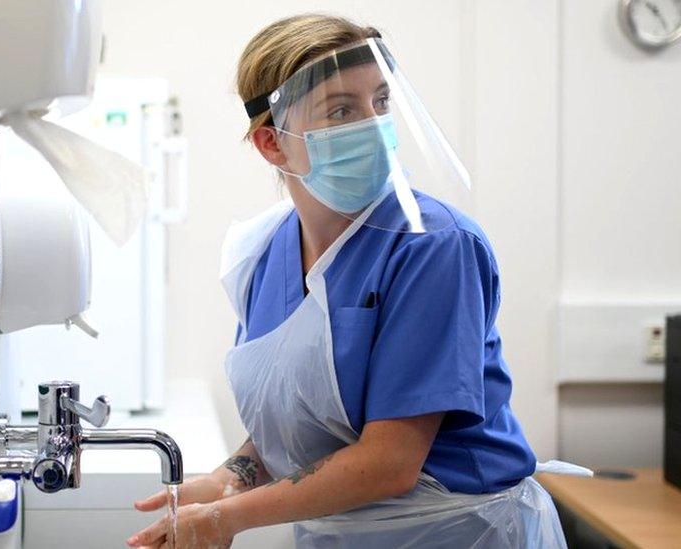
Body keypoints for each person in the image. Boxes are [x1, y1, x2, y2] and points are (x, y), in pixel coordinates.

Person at [128, 13, 578, 548]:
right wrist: (230, 477)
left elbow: (390, 463)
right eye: (342, 109)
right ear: (273, 143)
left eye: (381, 102)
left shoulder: (433, 245)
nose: (374, 124)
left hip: (459, 534)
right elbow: (296, 417)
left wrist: (230, 518)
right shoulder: (264, 253)